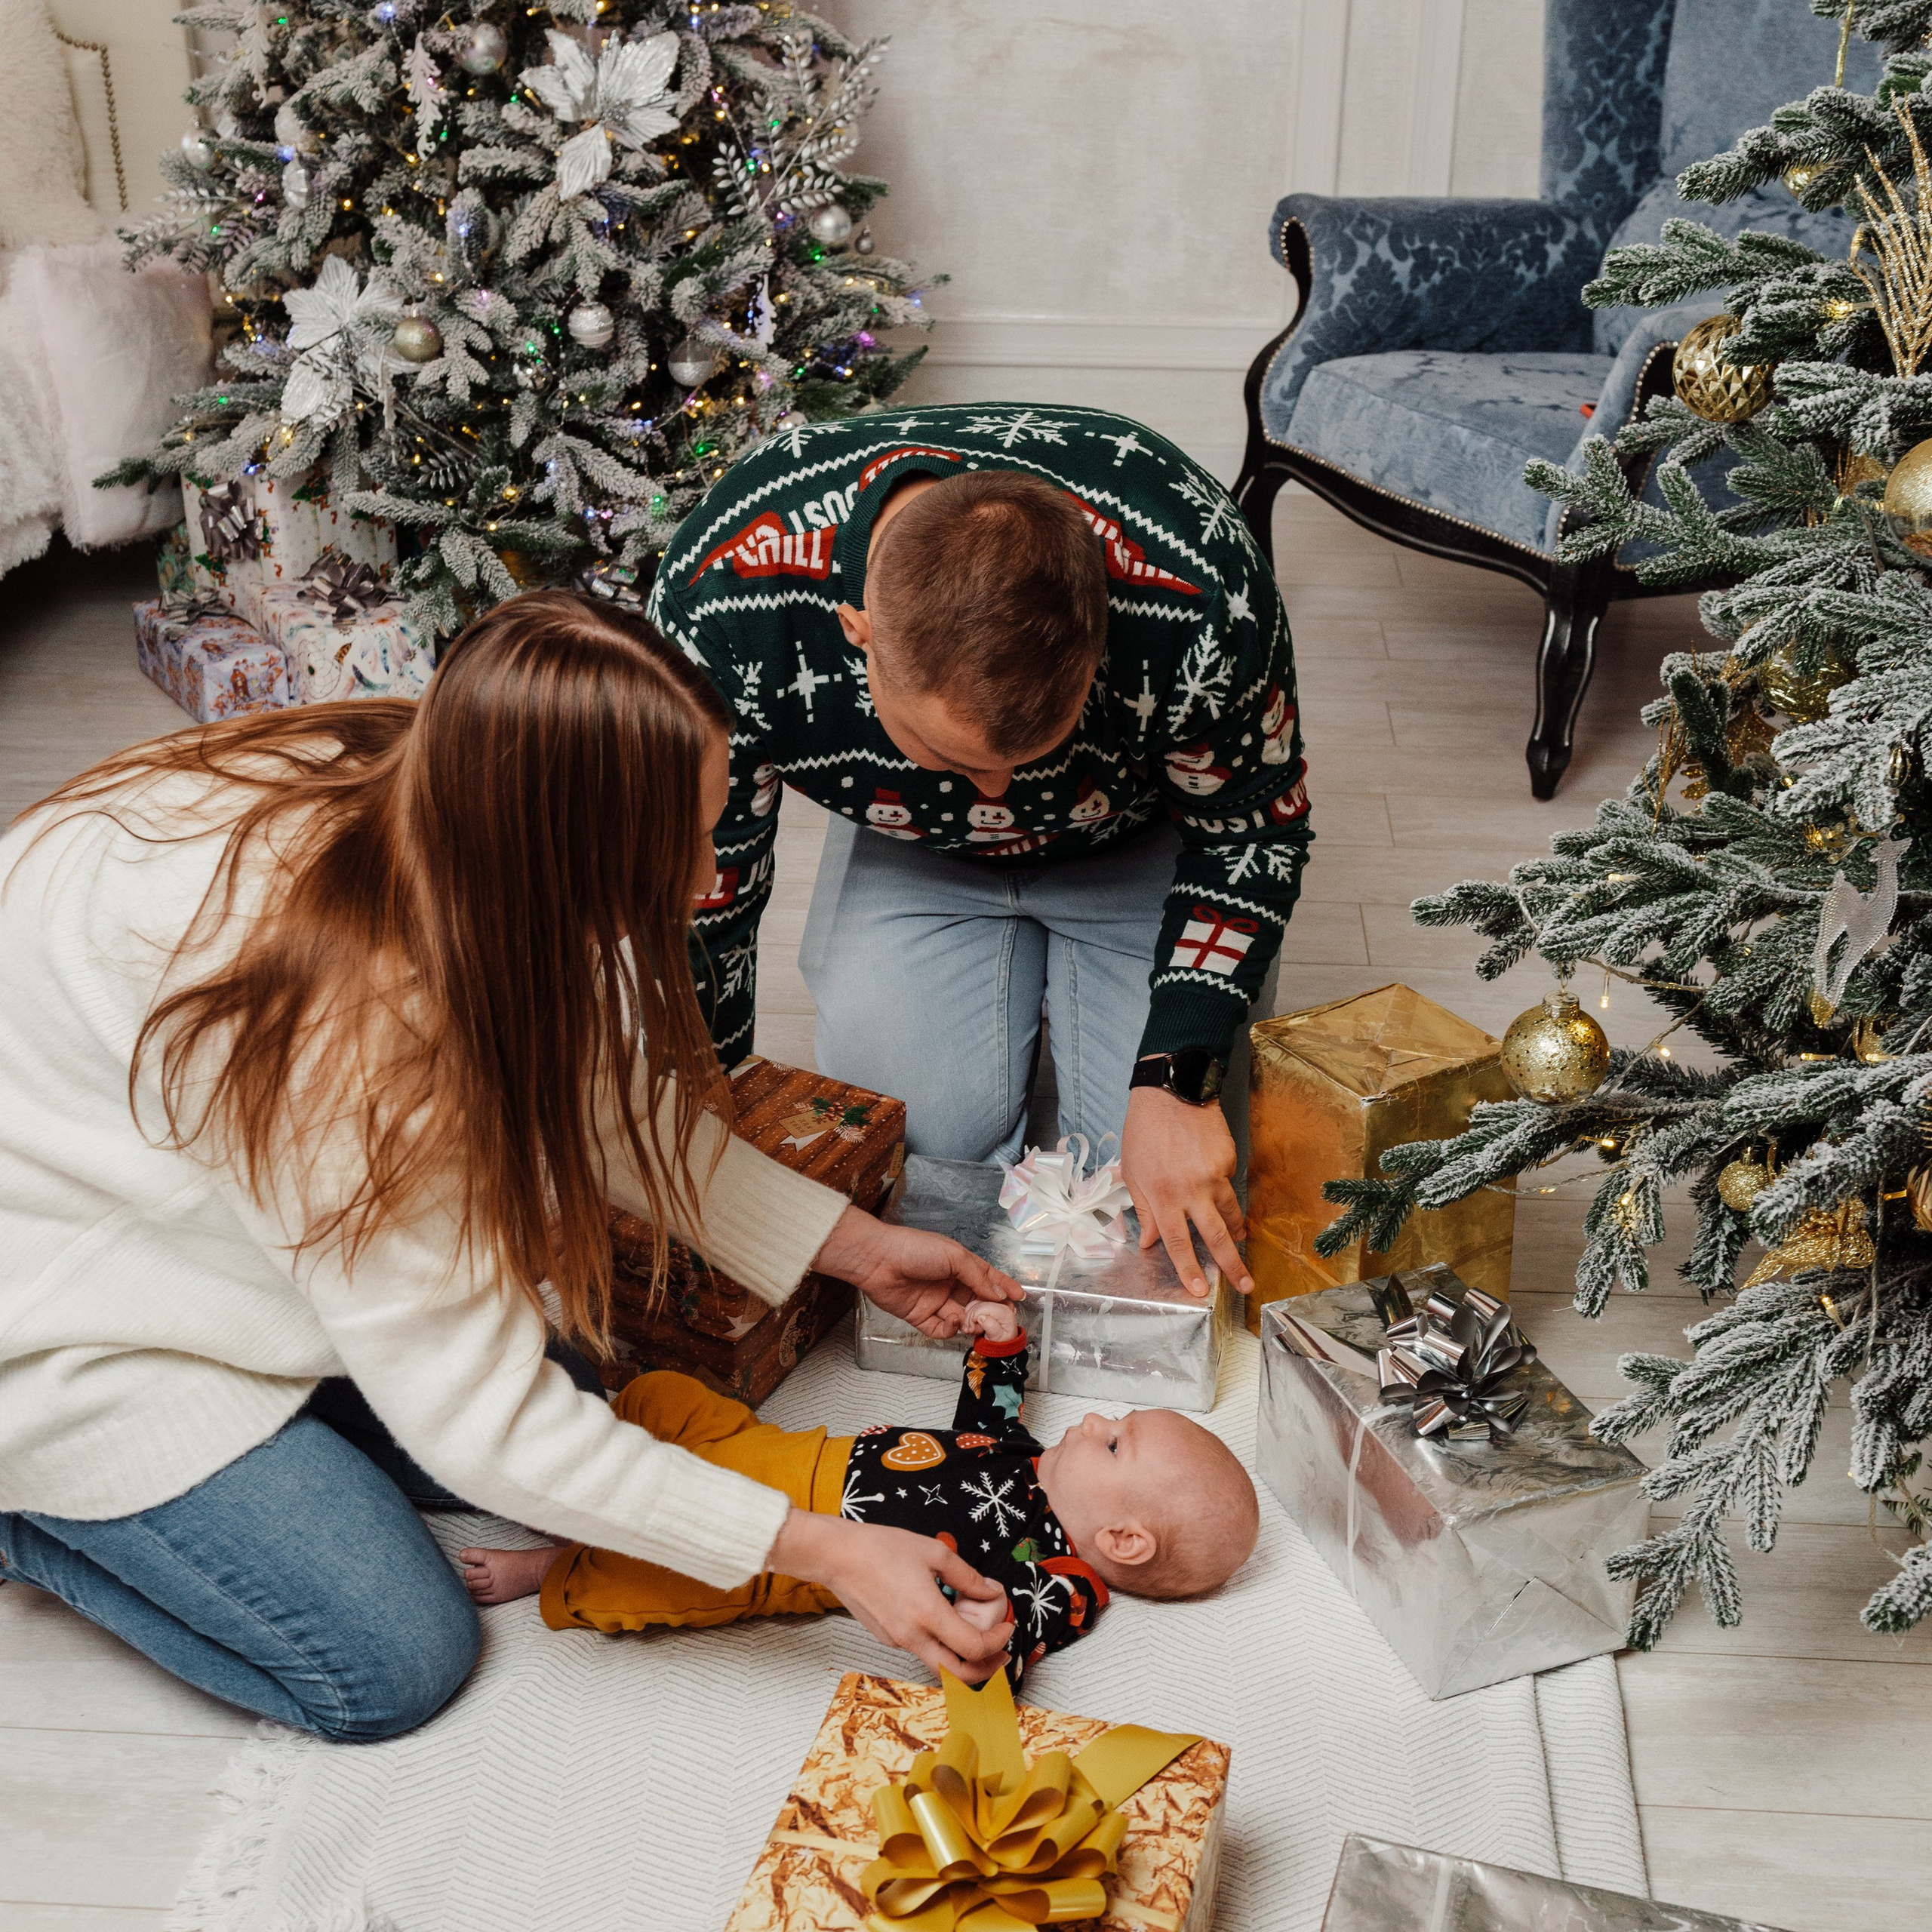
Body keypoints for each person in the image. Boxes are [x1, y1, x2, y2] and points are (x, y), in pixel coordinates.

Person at [0, 591, 1026, 1742]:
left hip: (200, 1203)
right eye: (674, 849)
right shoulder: (347, 1043)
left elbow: (591, 1088)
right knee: (396, 1658)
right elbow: (484, 1423)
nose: (704, 883)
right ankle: (27, 1513)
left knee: (588, 1405)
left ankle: (312, 1410)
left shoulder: (460, 781)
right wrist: (820, 1552)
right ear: (564, 850)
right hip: (59, 1311)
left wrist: (854, 1247)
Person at [648, 403, 1310, 1303]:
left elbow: (1251, 830)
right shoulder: (725, 595)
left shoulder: (1197, 584)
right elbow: (706, 889)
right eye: (952, 757)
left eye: (1031, 751)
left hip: (1137, 839)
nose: (994, 797)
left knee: (1144, 1214)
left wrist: (1179, 1074)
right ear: (859, 635)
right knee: (915, 1172)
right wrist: (707, 1111)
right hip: (903, 842)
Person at [458, 1297, 1259, 1685]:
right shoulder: (1024, 1453)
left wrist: (989, 1645)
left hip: (780, 1559)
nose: (1088, 1420)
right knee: (668, 1397)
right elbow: (992, 1402)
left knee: (638, 1575)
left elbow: (1006, 1641)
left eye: (1113, 1441)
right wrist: (1001, 1340)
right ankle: (589, 1457)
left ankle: (551, 1567)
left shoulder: (1058, 1575)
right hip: (782, 1451)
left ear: (1123, 1540)